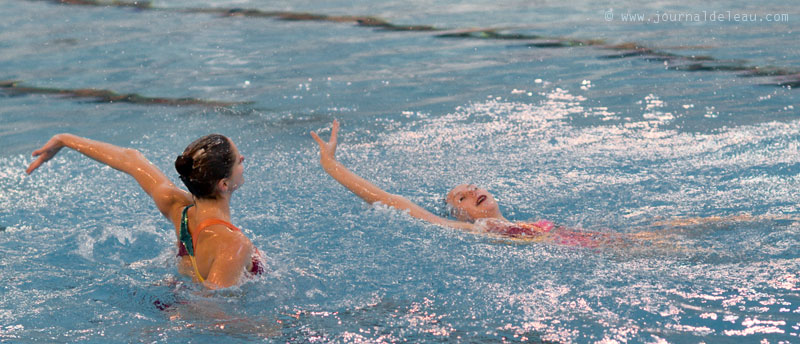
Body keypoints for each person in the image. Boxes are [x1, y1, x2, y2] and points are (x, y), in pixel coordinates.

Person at [311, 120, 670, 248]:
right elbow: (389, 199)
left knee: (677, 230)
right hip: (584, 248)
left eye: (473, 188)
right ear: (459, 215)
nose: (473, 194)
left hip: (581, 239)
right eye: (462, 198)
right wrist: (331, 164)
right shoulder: (472, 230)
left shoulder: (521, 222)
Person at [26, 133, 264, 289]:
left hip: (171, 301)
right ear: (223, 184)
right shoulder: (233, 243)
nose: (243, 158)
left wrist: (65, 139)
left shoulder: (178, 209)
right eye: (238, 161)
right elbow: (211, 313)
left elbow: (131, 160)